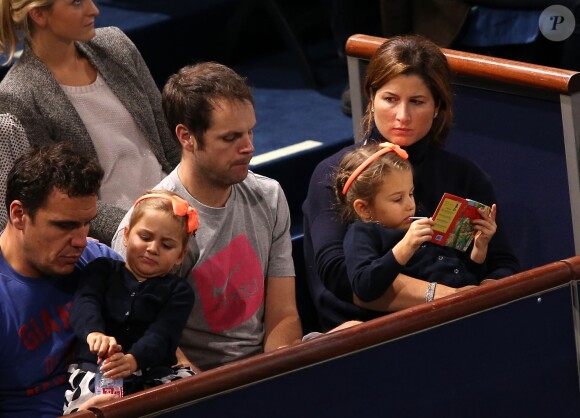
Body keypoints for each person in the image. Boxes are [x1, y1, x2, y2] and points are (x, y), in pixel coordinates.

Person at [303, 35, 520, 331]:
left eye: (417, 102)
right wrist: (449, 297)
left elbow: (502, 263)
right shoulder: (336, 173)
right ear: (372, 98)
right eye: (390, 99)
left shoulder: (465, 174)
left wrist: (482, 300)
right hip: (362, 331)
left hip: (459, 322)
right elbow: (341, 276)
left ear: (437, 107)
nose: (402, 116)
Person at [111, 62, 303, 370]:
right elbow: (150, 341)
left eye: (250, 131)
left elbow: (283, 314)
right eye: (230, 138)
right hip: (199, 386)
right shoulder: (148, 230)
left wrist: (274, 377)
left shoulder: (270, 196)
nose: (249, 148)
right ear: (187, 137)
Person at [0, 0, 181, 244]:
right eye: (76, 3)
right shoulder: (18, 94)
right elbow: (65, 200)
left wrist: (193, 199)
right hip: (125, 238)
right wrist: (143, 229)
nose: (94, 10)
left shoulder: (117, 45)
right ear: (39, 15)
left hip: (178, 209)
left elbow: (170, 142)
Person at [0, 142, 123, 417]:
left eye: (85, 223)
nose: (80, 241)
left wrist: (118, 398)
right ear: (19, 215)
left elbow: (171, 354)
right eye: (64, 225)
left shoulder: (98, 261)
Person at [63, 190, 197, 414]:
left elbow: (163, 333)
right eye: (145, 237)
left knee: (193, 394)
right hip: (101, 372)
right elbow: (85, 302)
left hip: (156, 372)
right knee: (99, 408)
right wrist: (93, 333)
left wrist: (135, 359)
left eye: (167, 245)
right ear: (126, 235)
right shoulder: (102, 269)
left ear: (180, 255)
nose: (153, 249)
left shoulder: (179, 291)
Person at [336, 141, 497, 310]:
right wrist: (406, 245)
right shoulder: (362, 233)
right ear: (364, 208)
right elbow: (364, 287)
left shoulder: (418, 222)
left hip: (465, 309)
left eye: (411, 193)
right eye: (397, 199)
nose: (410, 205)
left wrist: (479, 251)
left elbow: (464, 277)